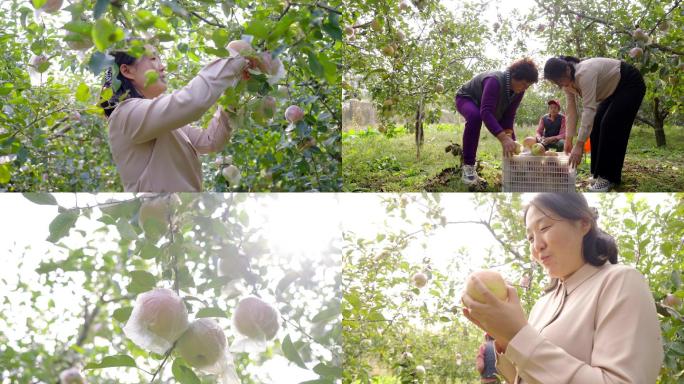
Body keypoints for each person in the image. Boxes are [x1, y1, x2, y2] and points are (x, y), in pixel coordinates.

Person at [462, 193, 663, 384]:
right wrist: (505, 339)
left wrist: (518, 335)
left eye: (544, 228)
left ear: (584, 223)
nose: (537, 245)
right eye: (530, 238)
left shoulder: (621, 282)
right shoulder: (543, 304)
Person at [101, 43, 251, 192]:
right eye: (153, 58)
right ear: (127, 71)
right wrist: (233, 56)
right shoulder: (125, 114)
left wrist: (233, 88)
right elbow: (192, 101)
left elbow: (210, 141)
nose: (162, 66)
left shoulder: (161, 124)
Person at [543, 56, 646, 192]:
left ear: (567, 70)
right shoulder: (567, 84)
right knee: (596, 125)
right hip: (613, 91)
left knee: (610, 124)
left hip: (629, 83)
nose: (561, 85)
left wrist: (579, 145)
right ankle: (597, 173)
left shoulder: (584, 73)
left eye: (561, 80)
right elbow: (571, 111)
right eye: (557, 83)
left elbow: (588, 110)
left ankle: (608, 177)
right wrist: (568, 139)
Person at [455, 58, 539, 185]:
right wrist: (503, 139)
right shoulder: (494, 80)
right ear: (515, 76)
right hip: (467, 98)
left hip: (486, 106)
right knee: (475, 117)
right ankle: (468, 167)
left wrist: (510, 139)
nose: (524, 89)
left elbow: (509, 116)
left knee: (511, 142)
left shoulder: (518, 92)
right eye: (523, 84)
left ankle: (514, 169)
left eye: (527, 86)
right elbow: (486, 112)